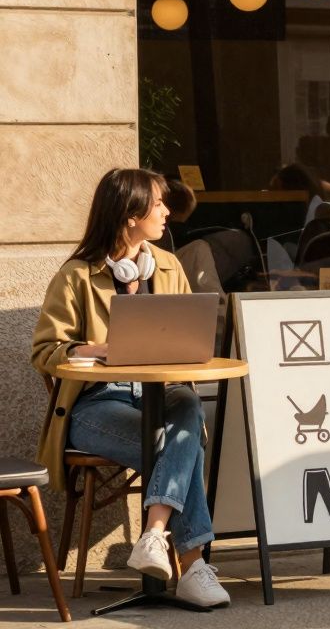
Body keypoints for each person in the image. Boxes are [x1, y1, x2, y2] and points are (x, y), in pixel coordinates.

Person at [31, 168, 230, 608]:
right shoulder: (77, 276)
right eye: (158, 203)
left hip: (163, 394)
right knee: (182, 442)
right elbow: (45, 350)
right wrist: (99, 349)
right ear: (129, 216)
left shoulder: (168, 265)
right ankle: (193, 567)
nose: (165, 211)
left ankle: (154, 536)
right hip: (95, 405)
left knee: (186, 411)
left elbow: (187, 337)